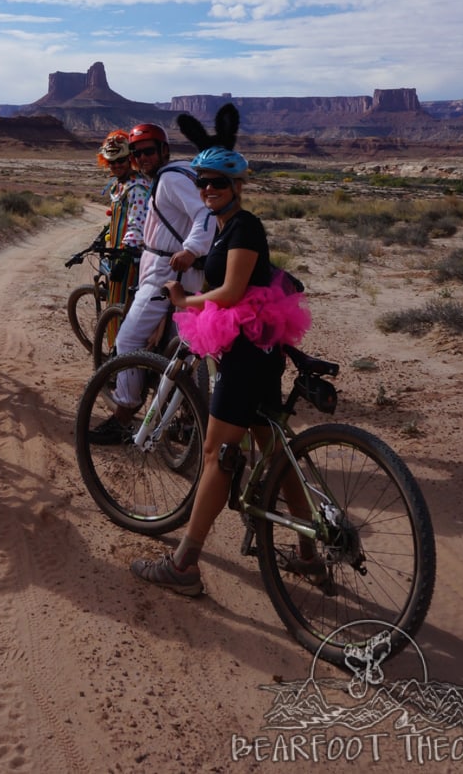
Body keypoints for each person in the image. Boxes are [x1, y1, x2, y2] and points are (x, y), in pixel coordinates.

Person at [130, 146, 311, 595]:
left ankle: (183, 565)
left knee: (216, 456)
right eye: (202, 183)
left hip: (247, 353)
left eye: (217, 182)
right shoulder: (228, 226)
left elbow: (230, 292)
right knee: (272, 449)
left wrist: (184, 302)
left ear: (238, 186)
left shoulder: (244, 226)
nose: (207, 189)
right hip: (260, 349)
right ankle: (310, 553)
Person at [87, 123, 214, 444]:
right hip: (184, 271)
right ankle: (187, 421)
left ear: (164, 150)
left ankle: (124, 414)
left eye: (148, 151)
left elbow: (205, 213)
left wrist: (192, 248)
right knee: (181, 348)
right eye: (138, 153)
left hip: (167, 270)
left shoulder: (170, 178)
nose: (142, 158)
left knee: (129, 341)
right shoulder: (184, 170)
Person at [97, 130, 151, 307]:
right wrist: (103, 234)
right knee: (114, 302)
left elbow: (137, 223)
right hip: (117, 253)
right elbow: (118, 218)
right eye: (111, 162)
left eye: (120, 160)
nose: (116, 166)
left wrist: (125, 256)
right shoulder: (119, 185)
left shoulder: (137, 187)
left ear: (130, 159)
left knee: (125, 305)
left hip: (130, 258)